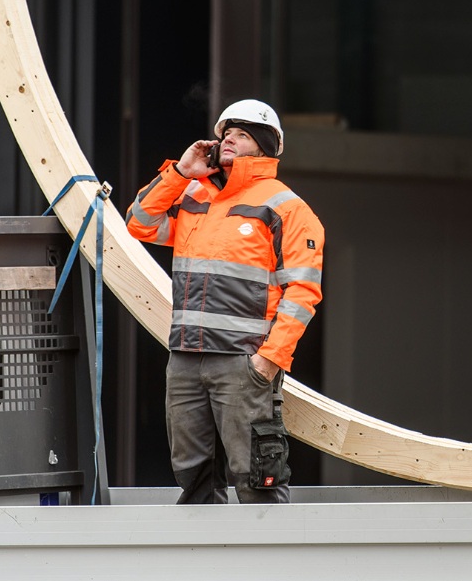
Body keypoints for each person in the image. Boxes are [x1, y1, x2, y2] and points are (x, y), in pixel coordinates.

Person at [126, 99, 324, 504]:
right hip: (185, 357)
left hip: (242, 361)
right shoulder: (197, 197)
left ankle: (266, 566)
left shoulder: (285, 207)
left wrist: (269, 360)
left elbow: (302, 293)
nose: (230, 139)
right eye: (226, 133)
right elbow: (139, 223)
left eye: (243, 134)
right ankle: (206, 567)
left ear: (264, 146)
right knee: (193, 478)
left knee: (257, 479)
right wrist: (181, 173)